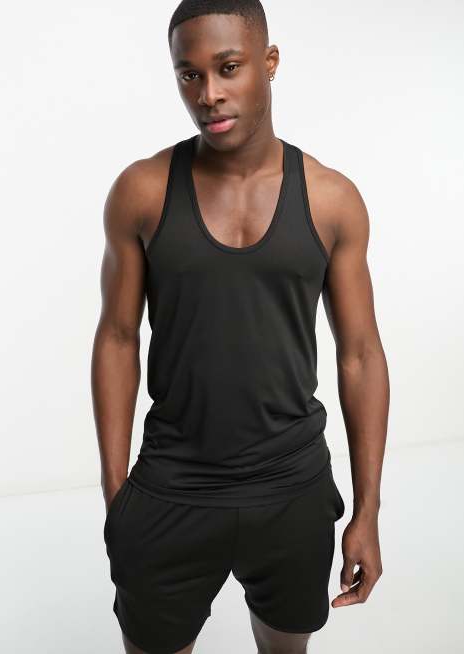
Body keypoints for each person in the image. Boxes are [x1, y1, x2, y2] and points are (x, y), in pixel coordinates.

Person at [91, 1, 388, 652]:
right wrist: (117, 499)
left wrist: (366, 510)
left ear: (268, 62)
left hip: (291, 486)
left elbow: (361, 354)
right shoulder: (142, 191)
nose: (208, 94)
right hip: (171, 486)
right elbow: (116, 339)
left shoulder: (330, 198)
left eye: (228, 68)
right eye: (189, 74)